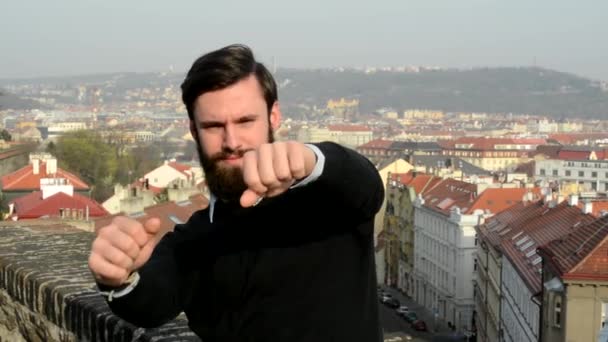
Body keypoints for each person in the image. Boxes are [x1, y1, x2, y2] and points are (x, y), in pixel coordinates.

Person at [88, 44, 385, 341]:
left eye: (245, 121)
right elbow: (149, 305)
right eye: (214, 126)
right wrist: (117, 277)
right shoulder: (194, 238)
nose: (232, 141)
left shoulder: (329, 202)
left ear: (274, 117)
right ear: (193, 130)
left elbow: (365, 185)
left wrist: (311, 160)